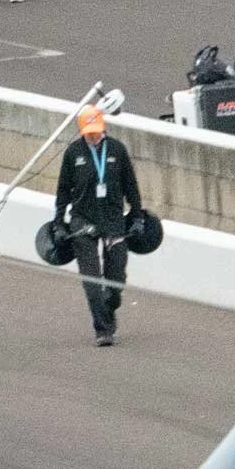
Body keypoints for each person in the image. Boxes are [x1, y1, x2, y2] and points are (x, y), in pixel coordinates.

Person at [50, 102, 142, 347]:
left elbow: (131, 185)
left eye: (97, 131)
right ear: (82, 132)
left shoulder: (117, 150)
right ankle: (103, 330)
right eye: (89, 133)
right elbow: (62, 191)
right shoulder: (73, 154)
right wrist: (59, 223)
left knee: (115, 281)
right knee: (92, 281)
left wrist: (138, 215)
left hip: (113, 221)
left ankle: (110, 303)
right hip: (82, 222)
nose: (94, 136)